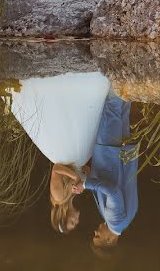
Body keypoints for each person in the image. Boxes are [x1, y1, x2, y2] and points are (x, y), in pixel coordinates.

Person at [7, 71, 113, 234]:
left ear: (63, 216)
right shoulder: (71, 196)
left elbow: (56, 169)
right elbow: (83, 169)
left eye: (72, 222)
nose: (77, 221)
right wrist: (84, 177)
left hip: (64, 152)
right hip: (77, 154)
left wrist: (75, 178)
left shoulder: (58, 197)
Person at [73, 92, 138, 253]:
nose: (95, 232)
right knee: (113, 105)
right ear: (109, 240)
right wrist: (85, 185)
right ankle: (119, 70)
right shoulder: (115, 222)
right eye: (97, 236)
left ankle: (129, 71)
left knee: (124, 105)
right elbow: (113, 190)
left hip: (121, 154)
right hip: (110, 153)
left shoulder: (123, 222)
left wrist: (90, 175)